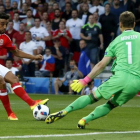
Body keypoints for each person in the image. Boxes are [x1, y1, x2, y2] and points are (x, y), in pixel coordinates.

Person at [45, 11, 140, 129]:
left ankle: (65, 111)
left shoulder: (115, 42)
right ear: (134, 24)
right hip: (136, 83)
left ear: (120, 24)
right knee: (111, 105)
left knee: (92, 97)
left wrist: (84, 81)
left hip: (120, 77)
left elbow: (101, 65)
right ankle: (84, 120)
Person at [0, 13, 49, 120]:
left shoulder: (4, 38)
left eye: (6, 24)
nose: (4, 27)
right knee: (1, 82)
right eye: (2, 24)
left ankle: (30, 105)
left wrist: (34, 57)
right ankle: (12, 112)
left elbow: (16, 52)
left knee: (14, 79)